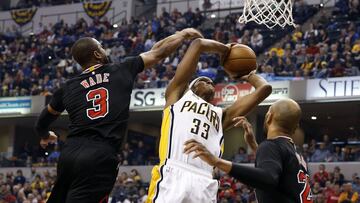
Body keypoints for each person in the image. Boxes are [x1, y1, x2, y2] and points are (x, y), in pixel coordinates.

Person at [34, 28, 203, 203]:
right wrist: (182, 35)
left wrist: (45, 135)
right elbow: (159, 53)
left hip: (69, 154)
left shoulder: (67, 87)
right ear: (97, 54)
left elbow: (42, 121)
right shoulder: (120, 69)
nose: (104, 50)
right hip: (99, 156)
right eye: (101, 47)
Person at [147, 38, 272, 202]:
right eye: (203, 80)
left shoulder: (222, 115)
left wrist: (248, 74)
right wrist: (225, 50)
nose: (209, 81)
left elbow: (264, 89)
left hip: (205, 180)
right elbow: (198, 44)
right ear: (190, 88)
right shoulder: (176, 97)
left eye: (211, 81)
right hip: (173, 171)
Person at [184, 98, 314, 203]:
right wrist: (253, 145)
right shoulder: (296, 153)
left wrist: (217, 161)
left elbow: (268, 178)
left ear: (269, 117)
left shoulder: (271, 145)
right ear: (295, 127)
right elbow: (273, 168)